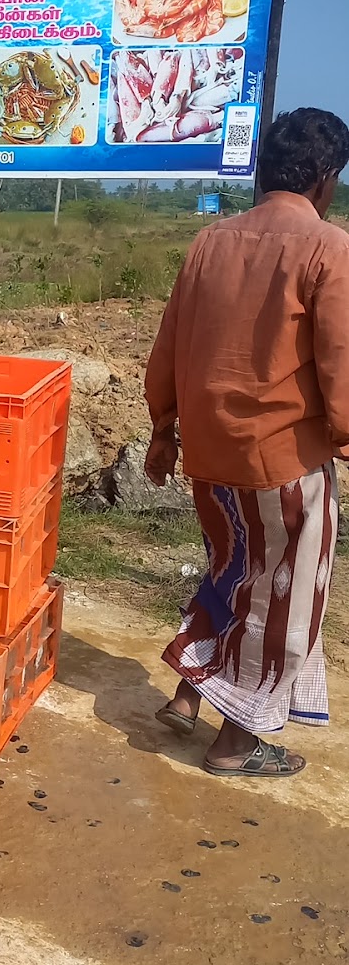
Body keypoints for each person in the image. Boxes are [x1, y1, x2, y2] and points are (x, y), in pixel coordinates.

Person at [144, 106, 349, 778]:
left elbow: (168, 349)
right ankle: (236, 743)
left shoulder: (210, 242)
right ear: (324, 178)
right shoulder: (329, 247)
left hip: (210, 457)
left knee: (231, 573)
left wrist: (163, 430)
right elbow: (341, 366)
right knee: (280, 600)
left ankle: (187, 694)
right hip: (283, 463)